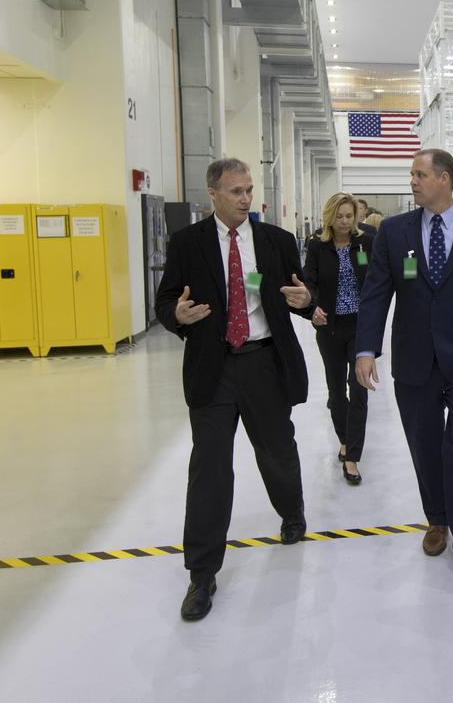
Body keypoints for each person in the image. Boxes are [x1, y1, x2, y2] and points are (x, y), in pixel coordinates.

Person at [156, 157, 316, 623]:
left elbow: (303, 295)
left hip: (265, 362)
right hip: (213, 367)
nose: (246, 199)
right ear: (213, 194)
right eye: (236, 191)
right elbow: (166, 300)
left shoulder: (276, 241)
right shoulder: (188, 243)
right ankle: (201, 574)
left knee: (276, 450)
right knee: (209, 469)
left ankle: (292, 511)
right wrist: (175, 317)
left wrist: (308, 302)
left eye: (249, 190)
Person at [355, 148, 453, 583]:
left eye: (420, 174)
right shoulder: (395, 231)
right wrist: (366, 349)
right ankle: (437, 518)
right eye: (412, 174)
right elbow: (377, 293)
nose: (413, 181)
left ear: (445, 180)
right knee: (424, 446)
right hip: (415, 359)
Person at [302, 192, 373, 486]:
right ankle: (344, 439)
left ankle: (353, 455)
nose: (344, 222)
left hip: (360, 326)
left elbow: (377, 279)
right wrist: (312, 307)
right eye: (339, 216)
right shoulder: (317, 245)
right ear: (330, 216)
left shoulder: (366, 242)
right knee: (336, 390)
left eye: (349, 216)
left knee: (359, 389)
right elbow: (309, 280)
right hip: (330, 327)